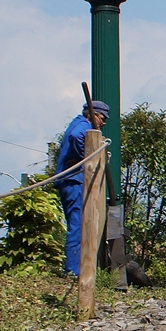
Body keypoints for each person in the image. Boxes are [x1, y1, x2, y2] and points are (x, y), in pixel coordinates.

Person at [55, 101, 109, 277]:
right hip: (73, 181)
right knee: (77, 225)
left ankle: (76, 267)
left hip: (71, 181)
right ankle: (72, 270)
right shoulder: (83, 125)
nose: (104, 123)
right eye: (102, 118)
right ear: (93, 115)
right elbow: (76, 137)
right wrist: (86, 157)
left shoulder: (77, 122)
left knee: (79, 224)